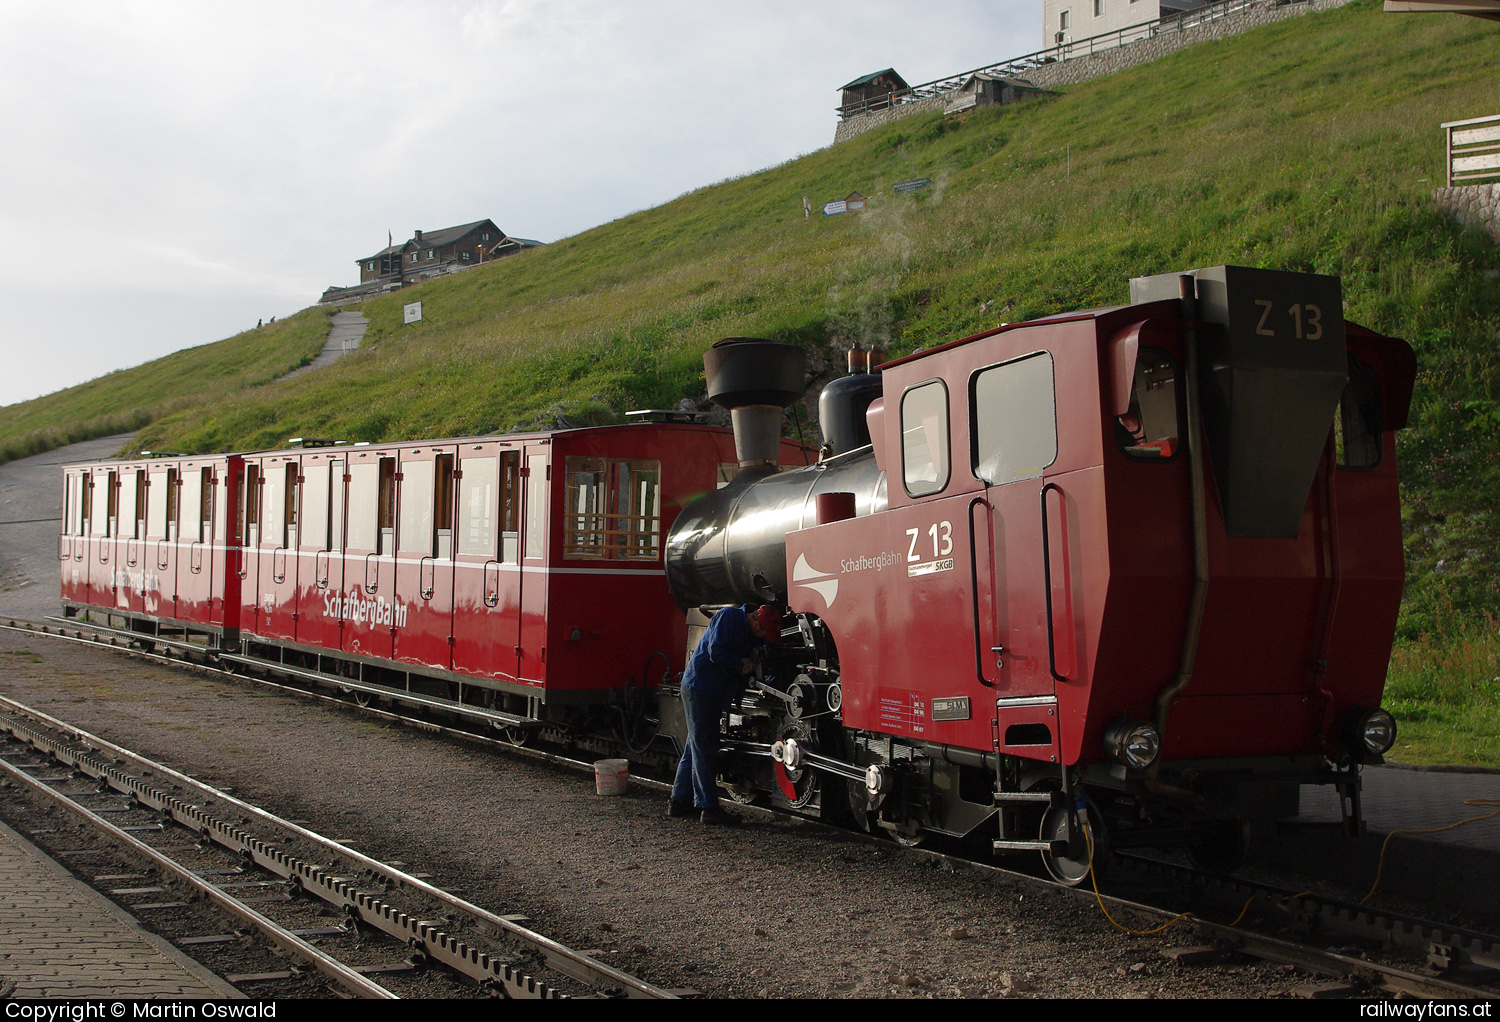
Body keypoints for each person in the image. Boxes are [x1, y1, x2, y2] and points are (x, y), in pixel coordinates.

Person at [669, 603, 782, 825]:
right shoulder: (728, 616)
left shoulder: (750, 633)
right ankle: (708, 808)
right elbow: (715, 651)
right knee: (705, 747)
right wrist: (740, 664)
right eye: (763, 632)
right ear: (756, 622)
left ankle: (679, 802)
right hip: (700, 688)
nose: (762, 637)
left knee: (695, 747)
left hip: (709, 691)